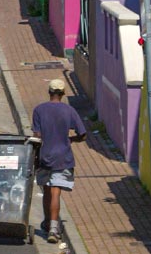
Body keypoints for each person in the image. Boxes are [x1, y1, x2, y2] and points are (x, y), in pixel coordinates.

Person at [30, 77, 86, 250]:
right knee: (56, 192)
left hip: (45, 156)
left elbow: (37, 135)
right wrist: (71, 139)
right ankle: (54, 228)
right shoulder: (69, 111)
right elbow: (82, 134)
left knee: (47, 190)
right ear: (62, 93)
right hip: (63, 157)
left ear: (49, 92)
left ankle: (47, 222)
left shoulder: (39, 110)